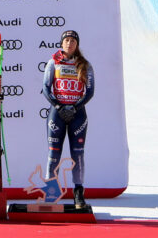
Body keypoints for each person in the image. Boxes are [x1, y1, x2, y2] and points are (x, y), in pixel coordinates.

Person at [41, 29, 95, 208]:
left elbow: (90, 91)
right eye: (67, 40)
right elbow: (46, 88)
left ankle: (78, 193)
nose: (69, 43)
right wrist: (59, 106)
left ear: (77, 44)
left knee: (77, 154)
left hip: (77, 115)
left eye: (73, 41)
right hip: (57, 114)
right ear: (61, 43)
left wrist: (75, 107)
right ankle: (50, 193)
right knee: (53, 154)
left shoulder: (84, 65)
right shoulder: (53, 63)